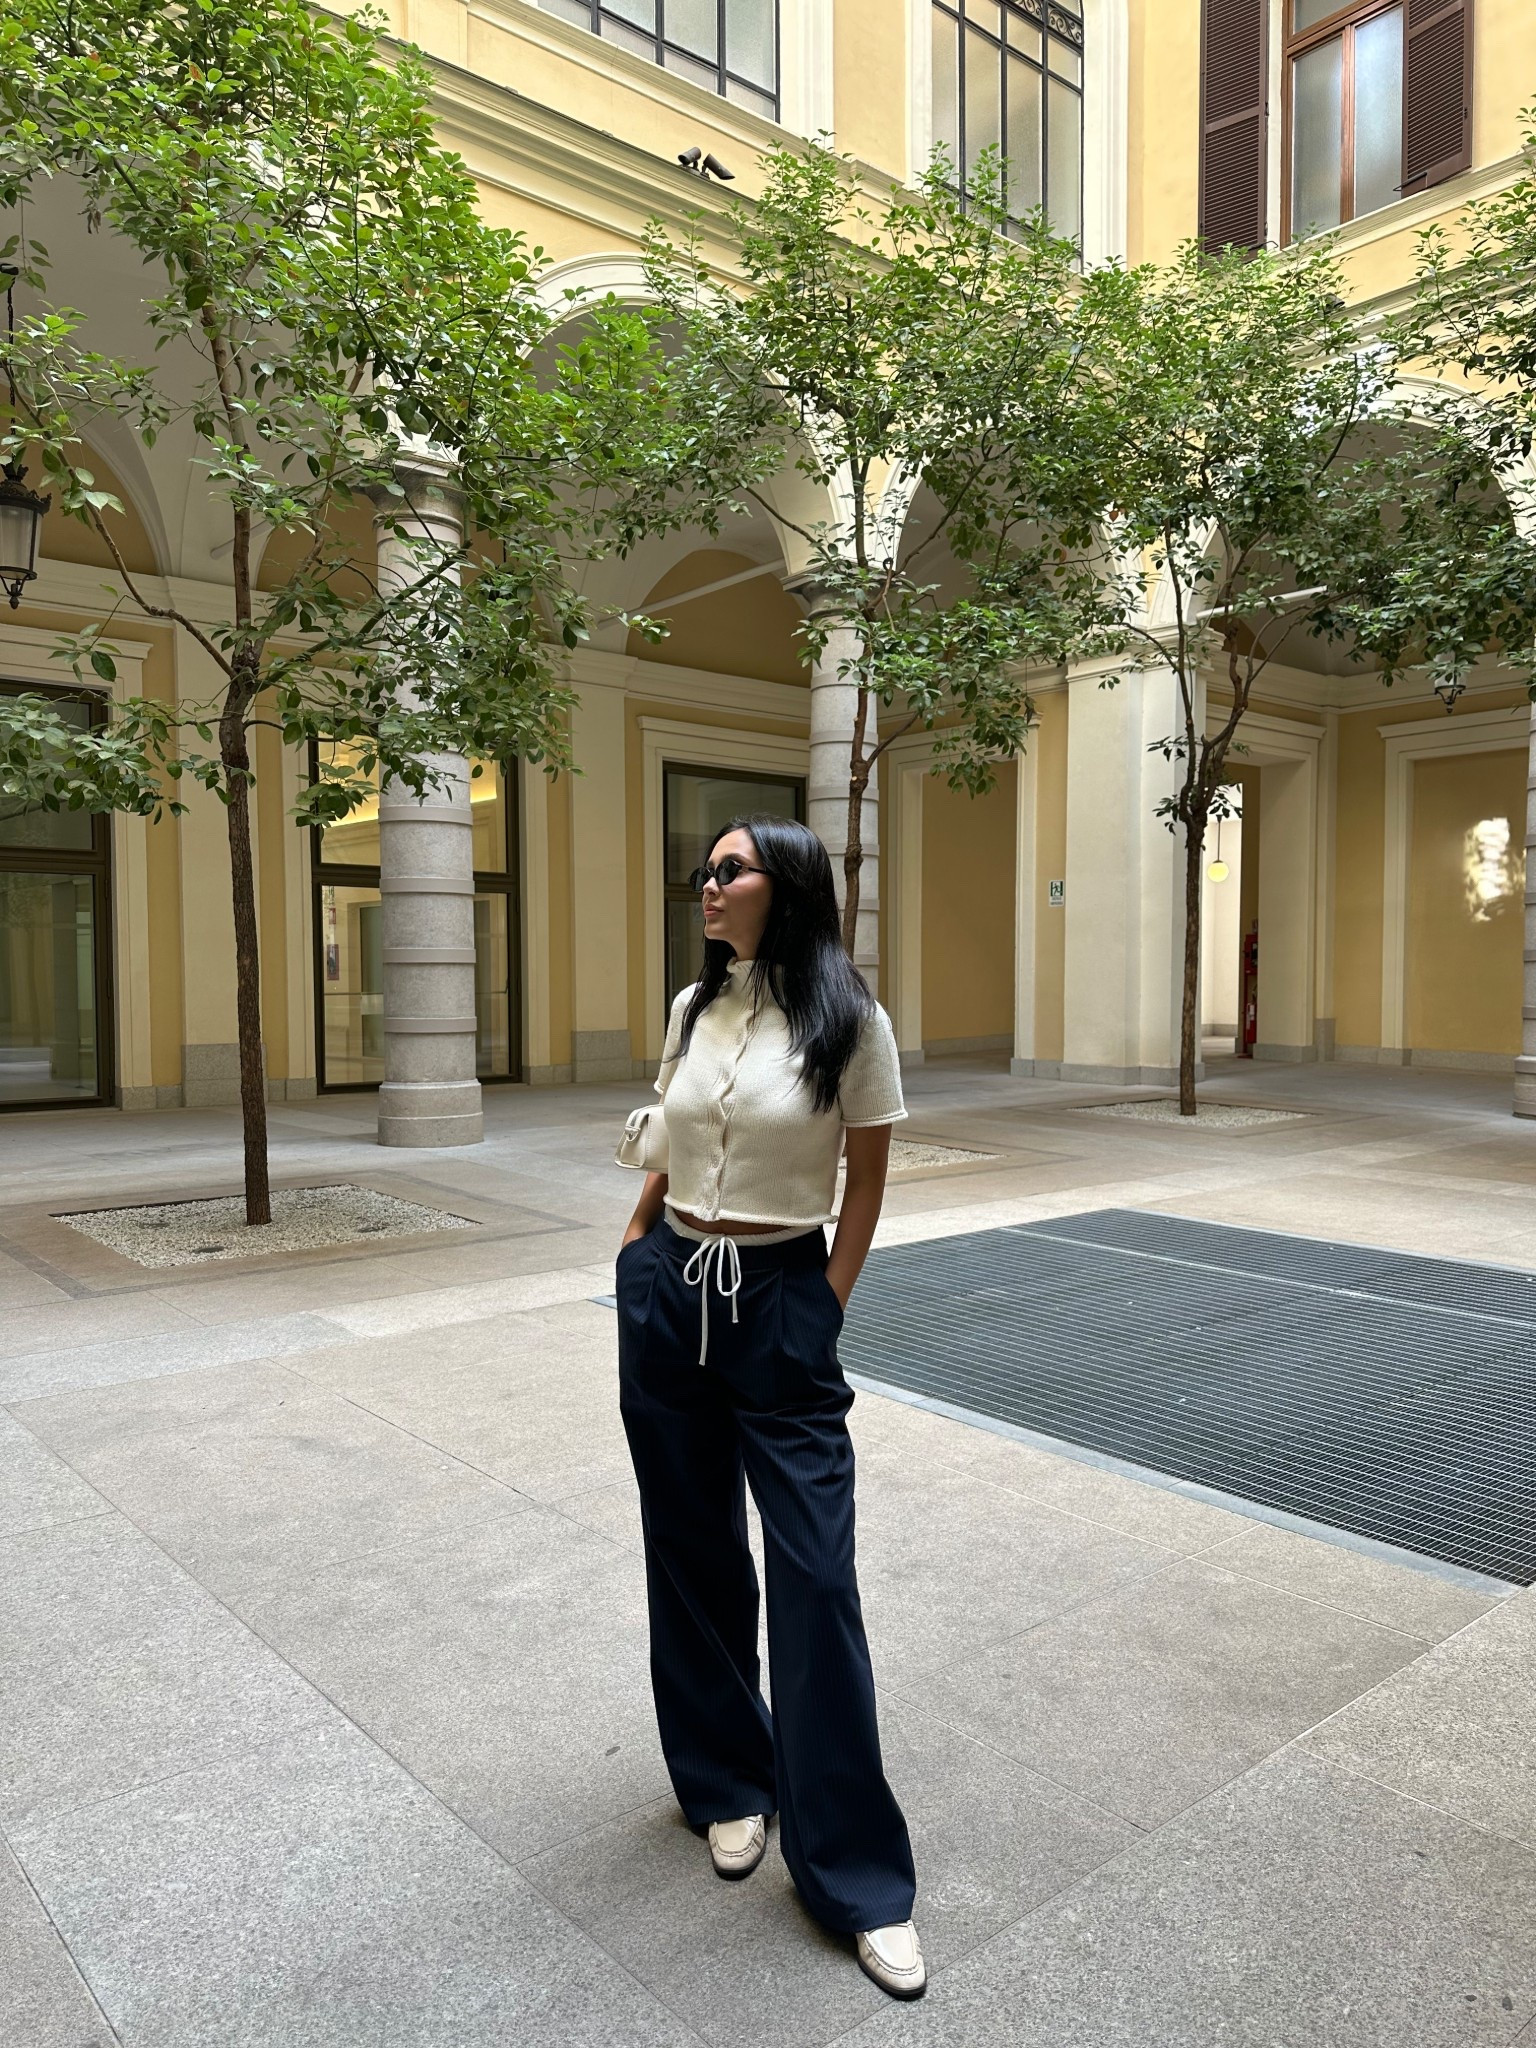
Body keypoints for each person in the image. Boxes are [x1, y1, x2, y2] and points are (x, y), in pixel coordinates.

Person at [615, 814, 924, 2002]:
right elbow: (673, 1130)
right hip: (669, 1294)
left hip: (782, 1299)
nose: (707, 883)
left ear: (784, 886)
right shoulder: (695, 1009)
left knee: (814, 1576)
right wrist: (637, 1237)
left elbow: (868, 1178)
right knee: (690, 1547)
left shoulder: (851, 1019)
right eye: (705, 868)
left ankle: (857, 1874)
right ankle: (728, 1779)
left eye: (729, 869)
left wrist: (823, 1307)